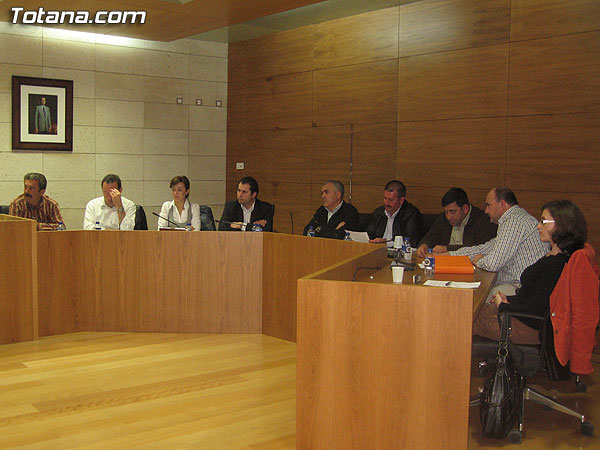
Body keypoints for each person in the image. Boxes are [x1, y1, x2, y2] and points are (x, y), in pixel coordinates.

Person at [472, 200, 587, 344]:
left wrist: (504, 305)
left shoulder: (555, 265)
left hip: (529, 328)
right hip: (522, 319)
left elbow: (535, 311)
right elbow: (533, 299)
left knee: (464, 320)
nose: (538, 226)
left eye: (544, 221)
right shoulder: (554, 257)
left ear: (561, 225)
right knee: (472, 310)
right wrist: (508, 300)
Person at [450, 187, 549, 300]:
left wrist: (479, 261)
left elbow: (493, 264)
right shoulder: (514, 219)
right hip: (518, 284)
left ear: (502, 204)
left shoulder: (514, 222)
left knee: (476, 298)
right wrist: (451, 255)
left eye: (488, 205)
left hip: (521, 289)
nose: (486, 211)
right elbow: (487, 248)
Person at [416, 187, 497, 257]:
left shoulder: (483, 220)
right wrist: (424, 245)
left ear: (465, 208)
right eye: (446, 212)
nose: (448, 217)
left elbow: (480, 248)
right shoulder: (443, 218)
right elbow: (431, 236)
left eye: (452, 212)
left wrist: (448, 249)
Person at [366, 180, 423, 247]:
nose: (386, 203)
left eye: (391, 200)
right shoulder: (378, 212)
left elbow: (411, 241)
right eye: (385, 198)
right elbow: (369, 234)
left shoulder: (411, 214)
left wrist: (387, 243)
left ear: (401, 200)